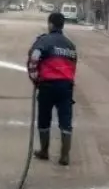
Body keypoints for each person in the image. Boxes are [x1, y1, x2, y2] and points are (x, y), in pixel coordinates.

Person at [26, 12, 79, 166]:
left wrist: (35, 77)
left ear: (50, 24)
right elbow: (73, 67)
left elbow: (34, 58)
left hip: (47, 86)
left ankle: (44, 151)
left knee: (44, 119)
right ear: (62, 25)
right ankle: (64, 156)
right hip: (65, 86)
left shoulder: (43, 41)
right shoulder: (70, 45)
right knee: (65, 120)